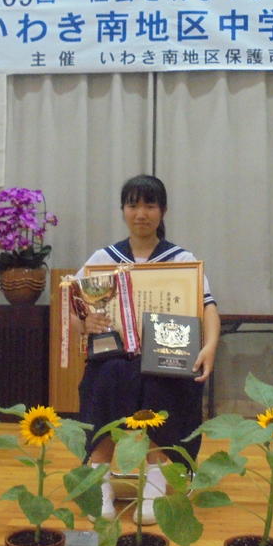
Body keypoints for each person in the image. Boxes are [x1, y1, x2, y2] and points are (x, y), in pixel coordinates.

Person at [72, 174, 221, 525]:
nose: (141, 213)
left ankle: (155, 483)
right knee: (109, 378)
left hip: (166, 357)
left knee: (157, 384)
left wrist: (211, 346)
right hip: (114, 356)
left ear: (163, 211)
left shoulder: (181, 259)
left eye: (150, 205)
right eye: (133, 205)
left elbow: (208, 306)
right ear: (123, 210)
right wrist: (85, 323)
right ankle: (99, 480)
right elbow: (73, 309)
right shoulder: (103, 258)